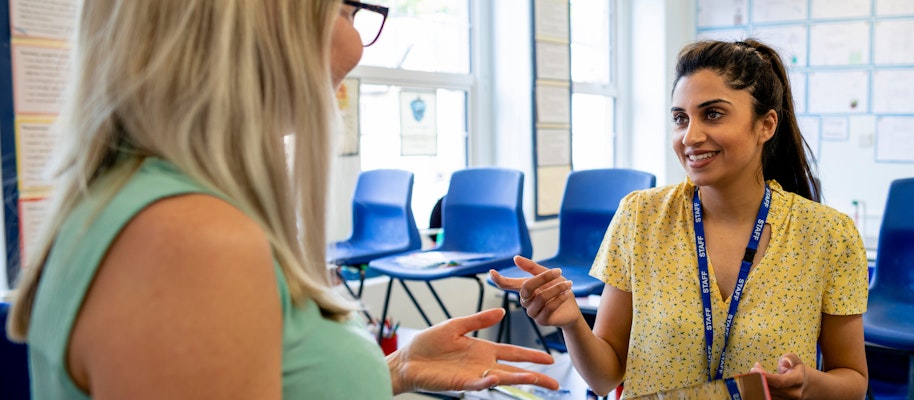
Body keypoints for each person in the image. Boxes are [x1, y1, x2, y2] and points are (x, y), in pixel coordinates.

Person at [4, 1, 559, 398]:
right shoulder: (189, 241)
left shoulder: (141, 204)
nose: (356, 46)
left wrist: (394, 369)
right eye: (346, 10)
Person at [492, 39, 869, 399]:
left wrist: (809, 386)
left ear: (766, 126)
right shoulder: (641, 216)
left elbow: (853, 381)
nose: (690, 136)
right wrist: (572, 322)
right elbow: (604, 377)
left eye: (713, 114)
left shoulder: (827, 234)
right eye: (679, 118)